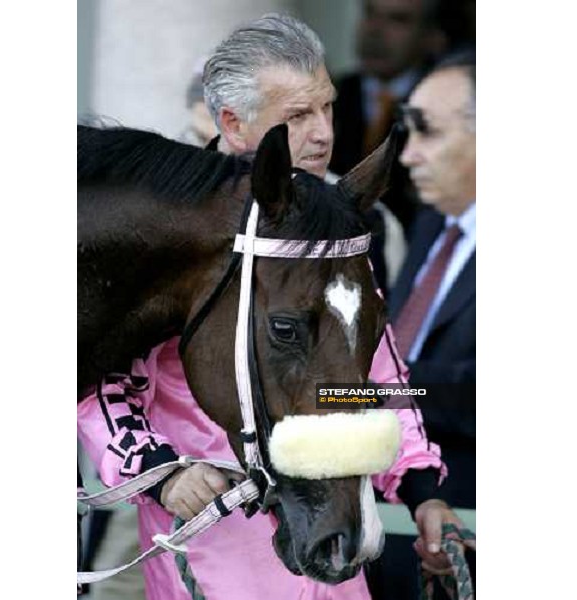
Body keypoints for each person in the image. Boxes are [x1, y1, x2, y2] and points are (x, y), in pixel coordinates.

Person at [78, 14, 466, 600]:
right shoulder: (166, 231)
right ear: (233, 123)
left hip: (329, 544)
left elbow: (368, 383)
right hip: (211, 548)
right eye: (297, 117)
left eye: (327, 109)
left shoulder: (332, 224)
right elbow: (98, 383)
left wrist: (418, 489)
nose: (323, 135)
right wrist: (162, 474)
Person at [370, 50, 476, 600]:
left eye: (427, 132)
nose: (407, 156)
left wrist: (355, 391)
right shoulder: (433, 221)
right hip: (385, 528)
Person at [330, 0, 447, 239]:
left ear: (431, 37)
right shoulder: (329, 95)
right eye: (370, 13)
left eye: (398, 20)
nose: (375, 30)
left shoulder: (445, 109)